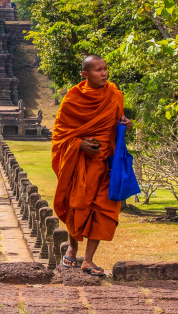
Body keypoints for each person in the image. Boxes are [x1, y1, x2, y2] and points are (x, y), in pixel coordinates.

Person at [51, 55, 132, 276]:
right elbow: (61, 135)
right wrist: (79, 144)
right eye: (98, 70)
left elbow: (117, 121)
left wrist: (125, 124)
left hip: (106, 164)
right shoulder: (73, 99)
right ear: (85, 74)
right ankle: (72, 247)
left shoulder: (114, 94)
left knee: (103, 209)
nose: (104, 73)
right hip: (81, 163)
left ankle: (88, 259)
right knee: (77, 204)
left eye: (105, 69)